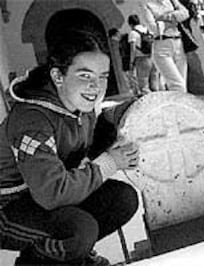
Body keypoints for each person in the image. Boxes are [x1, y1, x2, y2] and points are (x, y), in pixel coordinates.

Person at [0, 29, 140, 265]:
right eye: (85, 76)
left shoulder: (77, 107)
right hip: (8, 206)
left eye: (103, 76)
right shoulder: (31, 121)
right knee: (79, 231)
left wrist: (125, 112)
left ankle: (68, 258)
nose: (96, 86)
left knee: (121, 198)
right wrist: (112, 162)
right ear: (58, 76)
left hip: (37, 196)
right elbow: (53, 194)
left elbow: (89, 137)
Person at [137, 0, 189, 92]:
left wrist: (165, 17)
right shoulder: (145, 3)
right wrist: (174, 19)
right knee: (178, 85)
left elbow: (185, 13)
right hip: (162, 46)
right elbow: (153, 28)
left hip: (178, 42)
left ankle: (176, 105)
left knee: (182, 83)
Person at [127, 14, 159, 95]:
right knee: (155, 83)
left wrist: (131, 62)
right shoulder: (147, 30)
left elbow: (132, 49)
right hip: (153, 58)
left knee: (144, 85)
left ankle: (150, 103)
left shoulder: (133, 33)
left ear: (130, 24)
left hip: (141, 59)